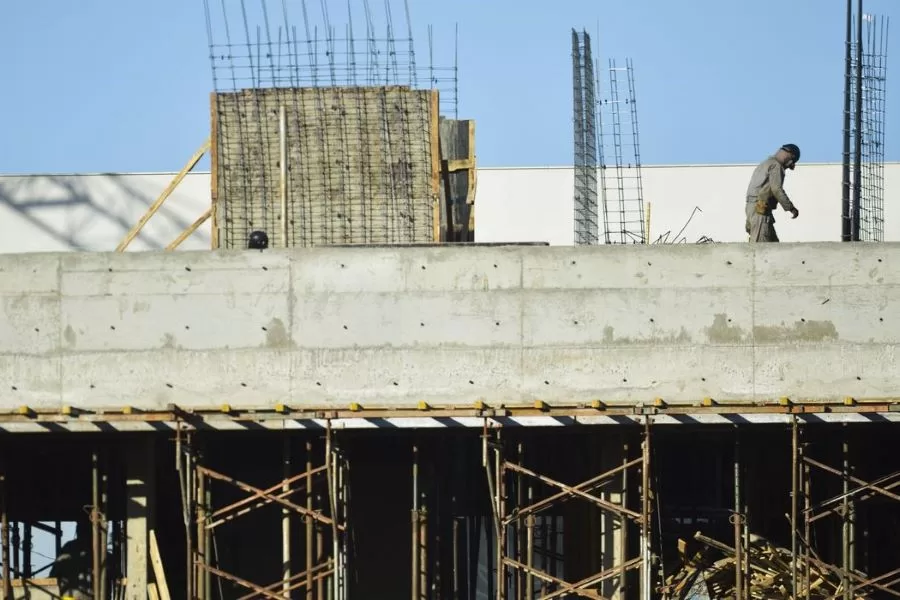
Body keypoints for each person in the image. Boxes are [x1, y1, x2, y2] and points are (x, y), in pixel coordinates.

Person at [744, 144, 801, 242]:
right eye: (791, 162)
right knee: (760, 248)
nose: (789, 165)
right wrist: (790, 208)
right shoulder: (776, 166)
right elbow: (777, 189)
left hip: (755, 208)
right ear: (790, 156)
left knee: (773, 245)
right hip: (760, 210)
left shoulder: (765, 163)